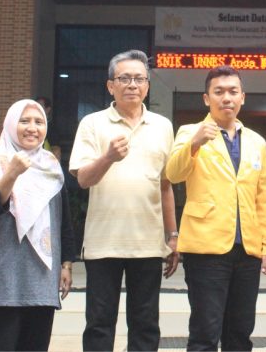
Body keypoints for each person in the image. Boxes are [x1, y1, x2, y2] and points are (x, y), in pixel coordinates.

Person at [69, 49, 178, 351]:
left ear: (147, 86)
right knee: (99, 325)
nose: (132, 84)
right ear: (110, 86)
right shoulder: (92, 123)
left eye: (139, 79)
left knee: (145, 325)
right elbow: (83, 179)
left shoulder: (162, 126)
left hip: (148, 244)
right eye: (124, 78)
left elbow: (165, 185)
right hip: (103, 243)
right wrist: (108, 157)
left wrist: (173, 235)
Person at [166, 65, 266, 351]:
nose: (226, 98)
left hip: (248, 250)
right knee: (205, 332)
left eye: (232, 91)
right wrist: (194, 144)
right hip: (206, 248)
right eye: (219, 92)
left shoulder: (256, 141)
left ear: (243, 97)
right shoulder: (189, 132)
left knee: (240, 332)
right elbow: (173, 174)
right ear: (207, 98)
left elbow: (264, 196)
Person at [0, 99, 75, 351]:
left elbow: (63, 219)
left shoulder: (51, 166)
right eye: (24, 121)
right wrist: (11, 173)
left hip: (42, 278)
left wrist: (66, 263)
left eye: (39, 122)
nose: (32, 128)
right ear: (10, 124)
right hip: (3, 279)